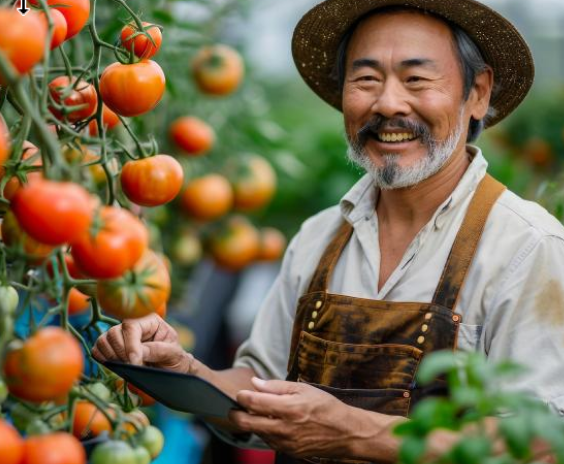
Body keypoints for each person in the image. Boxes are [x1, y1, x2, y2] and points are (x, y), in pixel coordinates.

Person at [93, 0, 564, 462]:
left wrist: (355, 434)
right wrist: (187, 370)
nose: (387, 103)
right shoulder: (320, 236)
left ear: (477, 92)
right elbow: (260, 384)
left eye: (417, 79)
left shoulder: (526, 247)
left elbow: (533, 447)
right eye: (366, 79)